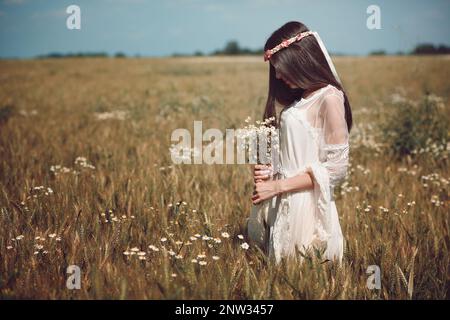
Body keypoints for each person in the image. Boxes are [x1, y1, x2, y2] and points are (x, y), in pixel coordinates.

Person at [247, 21, 353, 264]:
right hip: (283, 203)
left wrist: (277, 187)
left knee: (304, 269)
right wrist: (270, 172)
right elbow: (298, 152)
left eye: (281, 68)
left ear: (301, 60)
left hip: (305, 206)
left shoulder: (329, 98)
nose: (278, 76)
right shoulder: (302, 98)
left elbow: (336, 170)